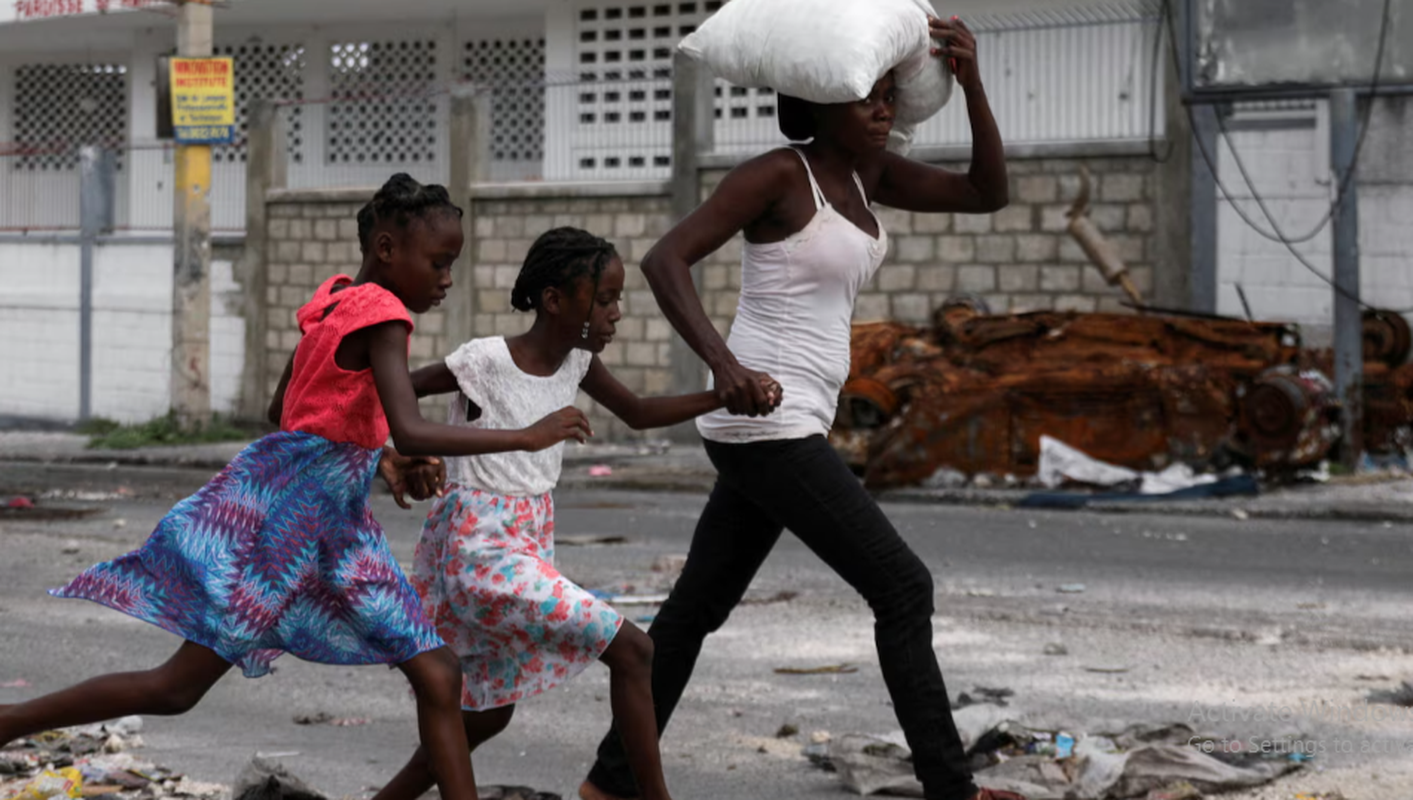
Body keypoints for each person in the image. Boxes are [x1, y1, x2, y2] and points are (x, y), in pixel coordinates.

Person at [0, 174, 595, 800]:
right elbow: (411, 424)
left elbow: (287, 408)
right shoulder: (385, 315)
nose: (447, 277)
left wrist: (377, 460)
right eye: (440, 262)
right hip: (292, 534)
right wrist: (525, 436)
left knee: (439, 673)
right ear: (388, 249)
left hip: (324, 527)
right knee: (176, 688)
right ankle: (8, 721)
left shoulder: (334, 300)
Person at [581, 17, 1022, 800]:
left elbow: (988, 194)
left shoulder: (872, 177)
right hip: (766, 424)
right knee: (902, 587)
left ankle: (610, 783)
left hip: (786, 423)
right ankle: (949, 788)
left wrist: (974, 84)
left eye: (889, 95)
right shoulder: (779, 176)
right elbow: (664, 257)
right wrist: (726, 365)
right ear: (818, 102)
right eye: (864, 97)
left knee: (691, 614)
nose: (883, 108)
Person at [368, 227, 780, 800]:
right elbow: (391, 395)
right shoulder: (484, 360)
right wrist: (402, 450)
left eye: (617, 300)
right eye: (604, 300)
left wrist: (724, 393)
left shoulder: (578, 364)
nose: (615, 315)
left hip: (527, 546)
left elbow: (636, 411)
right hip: (479, 550)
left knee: (487, 715)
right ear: (555, 300)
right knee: (634, 649)